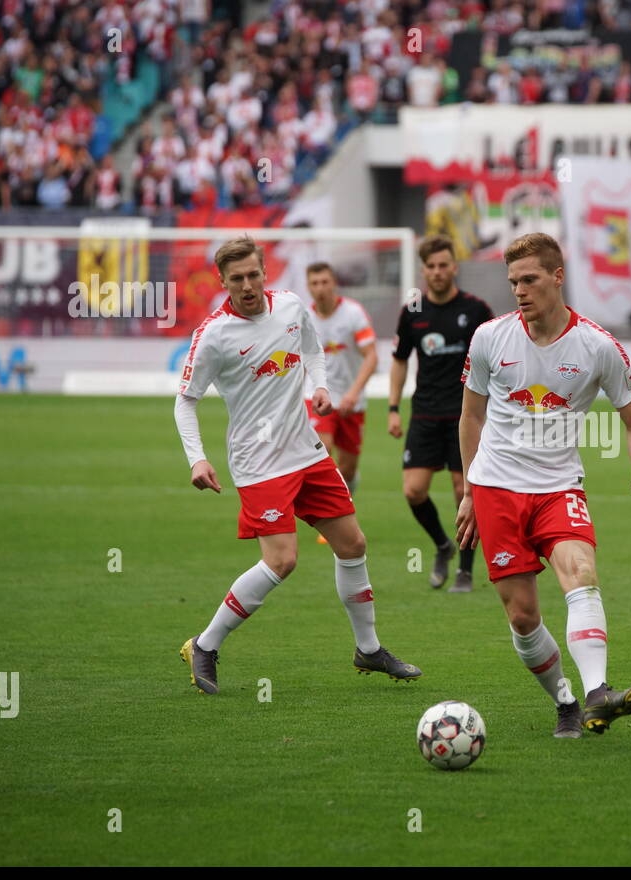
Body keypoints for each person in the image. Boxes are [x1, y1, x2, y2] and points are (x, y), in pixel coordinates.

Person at [174, 235, 421, 694]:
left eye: (253, 275)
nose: (247, 286)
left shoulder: (289, 306)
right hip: (259, 463)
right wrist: (198, 459)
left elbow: (312, 349)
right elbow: (184, 402)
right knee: (283, 561)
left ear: (265, 273)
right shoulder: (213, 334)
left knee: (352, 544)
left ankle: (368, 649)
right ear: (222, 281)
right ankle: (205, 645)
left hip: (307, 452)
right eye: (236, 279)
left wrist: (320, 387)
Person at [456, 232, 631, 739]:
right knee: (523, 617)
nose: (520, 291)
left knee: (581, 572)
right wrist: (467, 490)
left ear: (556, 276)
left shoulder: (597, 345)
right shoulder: (489, 337)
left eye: (529, 280)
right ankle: (566, 701)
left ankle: (598, 692)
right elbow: (470, 417)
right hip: (496, 488)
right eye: (513, 282)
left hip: (558, 486)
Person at [388, 235, 494, 593]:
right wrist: (392, 408)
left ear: (454, 267)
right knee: (413, 491)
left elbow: (497, 357)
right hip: (424, 414)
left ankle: (464, 570)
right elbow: (400, 360)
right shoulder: (413, 309)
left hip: (466, 415)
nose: (437, 272)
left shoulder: (476, 310)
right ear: (423, 270)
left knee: (462, 489)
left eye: (443, 265)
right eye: (430, 266)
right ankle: (442, 545)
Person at [303, 262, 378, 544]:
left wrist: (353, 393)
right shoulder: (302, 318)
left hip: (352, 400)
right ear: (309, 287)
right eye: (314, 283)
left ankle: (344, 504)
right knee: (323, 448)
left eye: (325, 282)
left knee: (347, 468)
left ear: (334, 283)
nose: (320, 289)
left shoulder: (353, 314)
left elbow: (371, 356)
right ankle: (329, 519)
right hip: (317, 395)